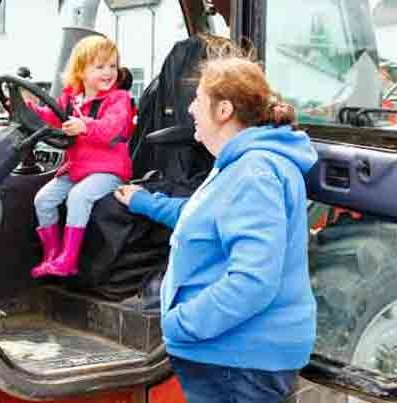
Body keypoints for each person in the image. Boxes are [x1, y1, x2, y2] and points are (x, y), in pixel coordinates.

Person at [114, 56, 318, 403]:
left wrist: (180, 324)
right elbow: (203, 218)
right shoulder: (238, 165)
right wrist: (145, 202)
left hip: (238, 361)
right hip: (231, 356)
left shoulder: (254, 173)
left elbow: (252, 281)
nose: (191, 108)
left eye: (197, 98)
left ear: (223, 109)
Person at [28, 35, 134, 279]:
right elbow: (50, 117)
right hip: (76, 169)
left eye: (113, 66)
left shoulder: (119, 99)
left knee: (78, 197)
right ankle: (52, 254)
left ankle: (69, 259)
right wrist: (28, 108)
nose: (109, 72)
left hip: (109, 171)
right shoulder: (70, 98)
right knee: (42, 200)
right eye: (100, 66)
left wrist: (85, 126)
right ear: (81, 72)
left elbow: (113, 128)